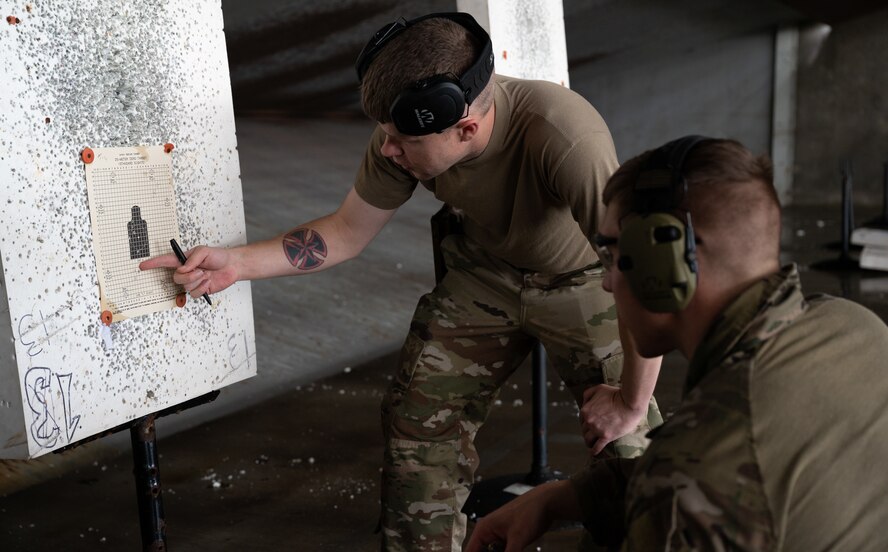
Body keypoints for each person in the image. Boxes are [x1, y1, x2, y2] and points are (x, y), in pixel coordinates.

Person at [141, 13, 663, 551]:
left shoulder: (563, 135)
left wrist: (627, 402)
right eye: (387, 137)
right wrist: (236, 263)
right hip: (483, 275)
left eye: (401, 142)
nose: (388, 150)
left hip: (584, 281)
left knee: (633, 445)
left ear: (467, 128)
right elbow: (345, 232)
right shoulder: (407, 130)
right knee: (418, 427)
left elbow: (640, 277)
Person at [466, 136, 888, 552]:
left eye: (614, 255)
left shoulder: (696, 467)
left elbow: (697, 472)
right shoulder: (853, 324)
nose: (608, 281)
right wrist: (561, 498)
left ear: (662, 262)